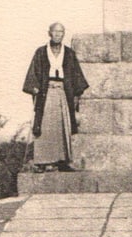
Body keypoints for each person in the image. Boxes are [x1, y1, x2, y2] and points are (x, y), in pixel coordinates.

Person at [22, 23, 89, 171]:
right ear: (49, 33)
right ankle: (42, 162)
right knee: (45, 125)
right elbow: (33, 73)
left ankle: (63, 161)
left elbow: (76, 75)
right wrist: (34, 88)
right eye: (55, 32)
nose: (58, 34)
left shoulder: (69, 53)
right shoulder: (41, 52)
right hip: (46, 92)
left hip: (63, 92)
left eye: (61, 32)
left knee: (63, 125)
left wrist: (76, 93)